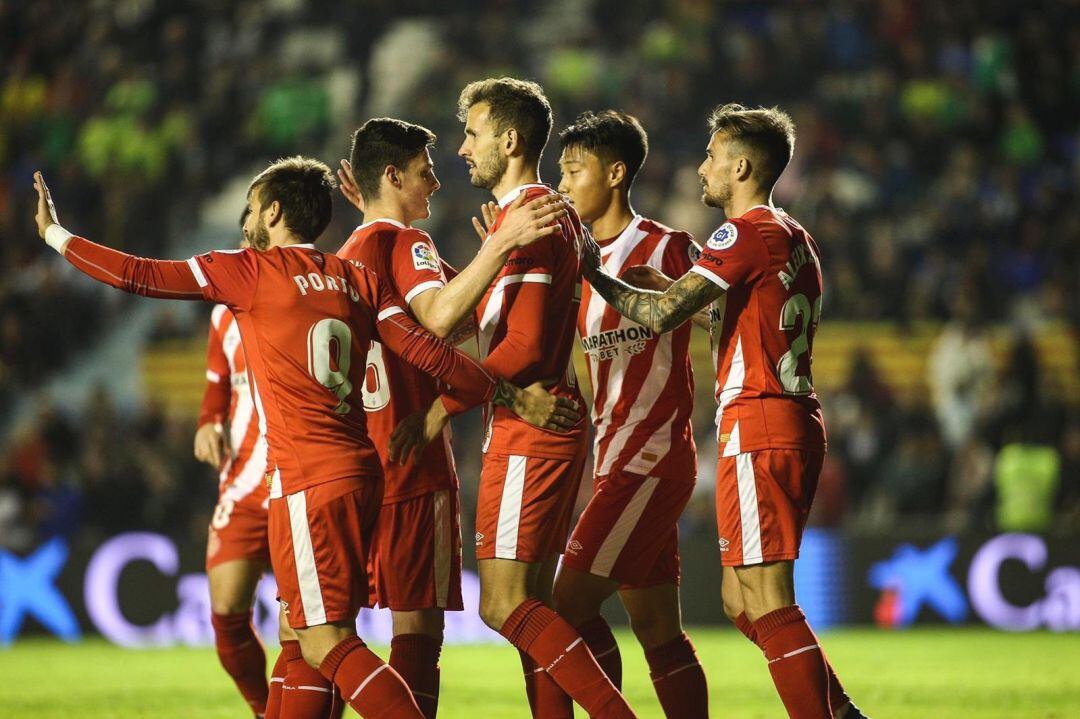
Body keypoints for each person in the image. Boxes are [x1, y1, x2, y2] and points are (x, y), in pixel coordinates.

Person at [32, 158, 579, 719]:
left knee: (324, 640)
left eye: (251, 208)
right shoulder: (356, 278)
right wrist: (507, 394)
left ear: (271, 211)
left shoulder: (250, 271)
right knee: (299, 634)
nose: (246, 218)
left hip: (305, 481)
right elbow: (425, 350)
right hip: (363, 474)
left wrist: (56, 234)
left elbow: (139, 274)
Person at [580, 104, 867, 719]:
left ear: (741, 166)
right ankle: (839, 709)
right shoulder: (795, 237)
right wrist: (670, 294)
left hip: (758, 420)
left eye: (712, 155)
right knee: (741, 601)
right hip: (789, 418)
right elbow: (732, 316)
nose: (702, 167)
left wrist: (594, 274)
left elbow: (660, 317)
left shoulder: (739, 232)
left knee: (765, 598)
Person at [392, 77, 636, 718]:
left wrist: (441, 408)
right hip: (545, 424)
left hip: (534, 429)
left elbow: (524, 346)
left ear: (510, 138)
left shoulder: (527, 218)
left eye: (472, 134)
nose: (462, 148)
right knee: (536, 606)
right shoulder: (525, 220)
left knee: (503, 604)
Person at [333, 116, 568, 718]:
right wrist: (500, 246)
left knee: (326, 635)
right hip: (412, 462)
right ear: (392, 176)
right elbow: (439, 323)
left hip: (354, 459)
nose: (436, 182)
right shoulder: (407, 244)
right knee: (417, 633)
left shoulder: (351, 251)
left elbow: (429, 326)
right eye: (423, 172)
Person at [545, 109, 709, 717]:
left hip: (652, 455)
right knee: (658, 627)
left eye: (573, 170)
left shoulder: (670, 247)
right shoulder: (575, 265)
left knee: (561, 608)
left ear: (615, 173)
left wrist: (674, 298)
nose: (562, 185)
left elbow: (720, 317)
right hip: (617, 457)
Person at [193, 209, 278, 718]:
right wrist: (208, 423)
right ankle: (266, 710)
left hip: (300, 479)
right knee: (226, 613)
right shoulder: (224, 310)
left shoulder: (312, 292)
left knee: (310, 634)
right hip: (243, 482)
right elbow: (216, 388)